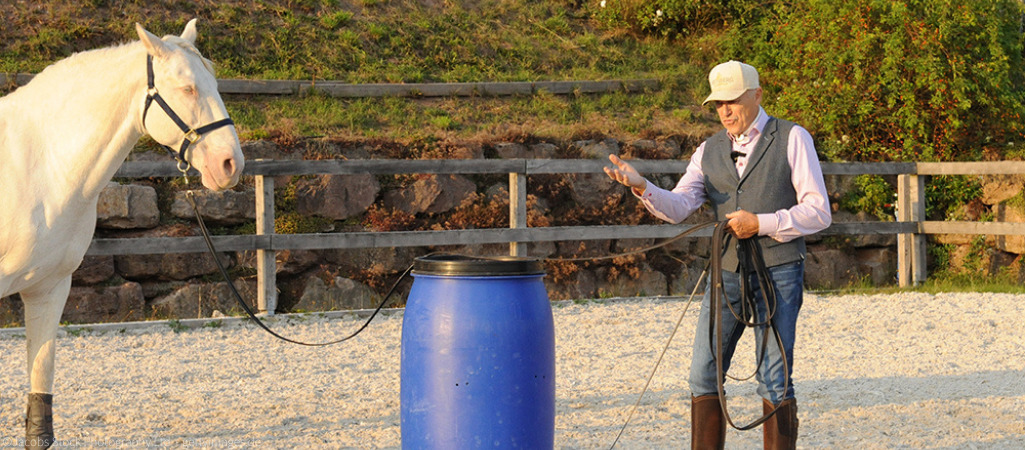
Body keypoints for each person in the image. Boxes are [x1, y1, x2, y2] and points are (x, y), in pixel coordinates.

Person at [604, 60, 831, 449]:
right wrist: (641, 185)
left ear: (756, 95)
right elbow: (679, 206)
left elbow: (818, 211)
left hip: (778, 272)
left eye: (733, 101)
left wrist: (761, 223)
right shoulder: (707, 151)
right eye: (718, 104)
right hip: (725, 273)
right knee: (702, 375)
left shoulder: (793, 138)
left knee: (775, 378)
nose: (725, 111)